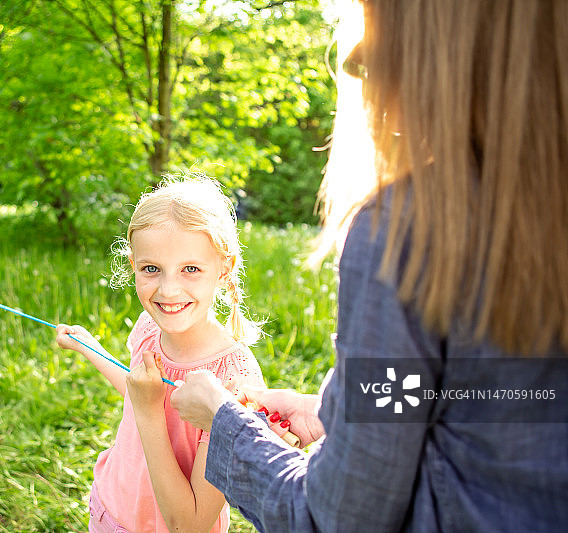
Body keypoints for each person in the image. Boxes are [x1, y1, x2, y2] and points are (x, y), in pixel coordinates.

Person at [171, 1, 568, 532]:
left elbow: (340, 518)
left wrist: (226, 426)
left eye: (387, 17)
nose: (356, 58)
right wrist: (338, 414)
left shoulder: (413, 231)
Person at [55, 176, 267, 532]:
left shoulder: (234, 380)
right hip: (112, 509)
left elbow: (192, 524)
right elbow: (140, 392)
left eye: (191, 269)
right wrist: (91, 348)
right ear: (133, 263)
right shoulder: (149, 328)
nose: (168, 291)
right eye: (151, 269)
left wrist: (150, 411)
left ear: (224, 269)